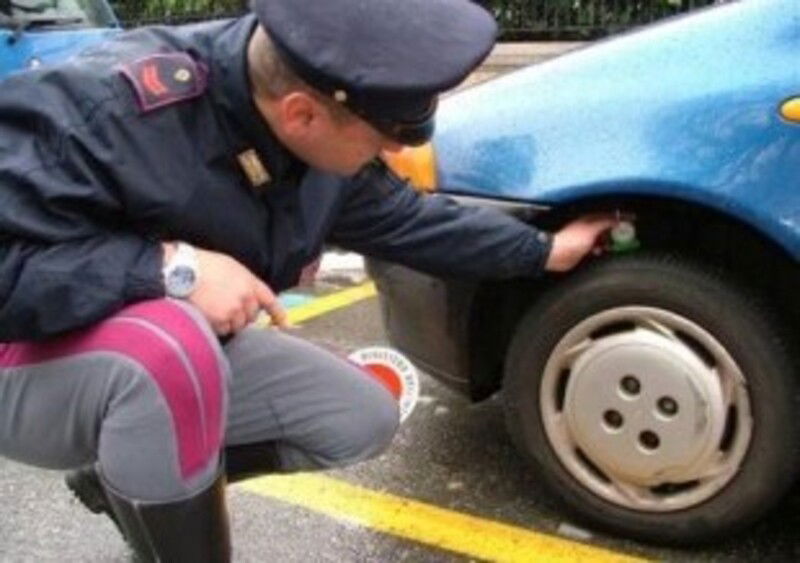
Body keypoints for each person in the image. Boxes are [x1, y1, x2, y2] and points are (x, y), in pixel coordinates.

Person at [0, 0, 616, 560]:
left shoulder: (305, 99)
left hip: (149, 357)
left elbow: (406, 219)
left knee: (358, 415)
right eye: (380, 142)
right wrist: (168, 269)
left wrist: (543, 251)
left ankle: (123, 476)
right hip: (26, 361)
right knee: (172, 344)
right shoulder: (107, 111)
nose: (389, 158)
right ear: (302, 115)